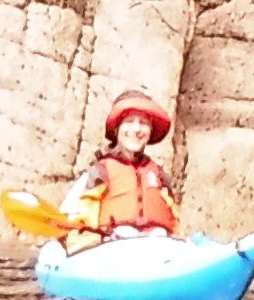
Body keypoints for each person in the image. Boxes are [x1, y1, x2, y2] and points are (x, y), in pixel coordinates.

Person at [67, 94, 180, 235]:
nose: (137, 129)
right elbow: (74, 219)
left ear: (150, 131)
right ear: (116, 129)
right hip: (112, 245)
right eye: (129, 121)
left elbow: (175, 222)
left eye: (144, 123)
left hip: (158, 244)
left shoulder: (160, 177)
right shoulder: (98, 172)